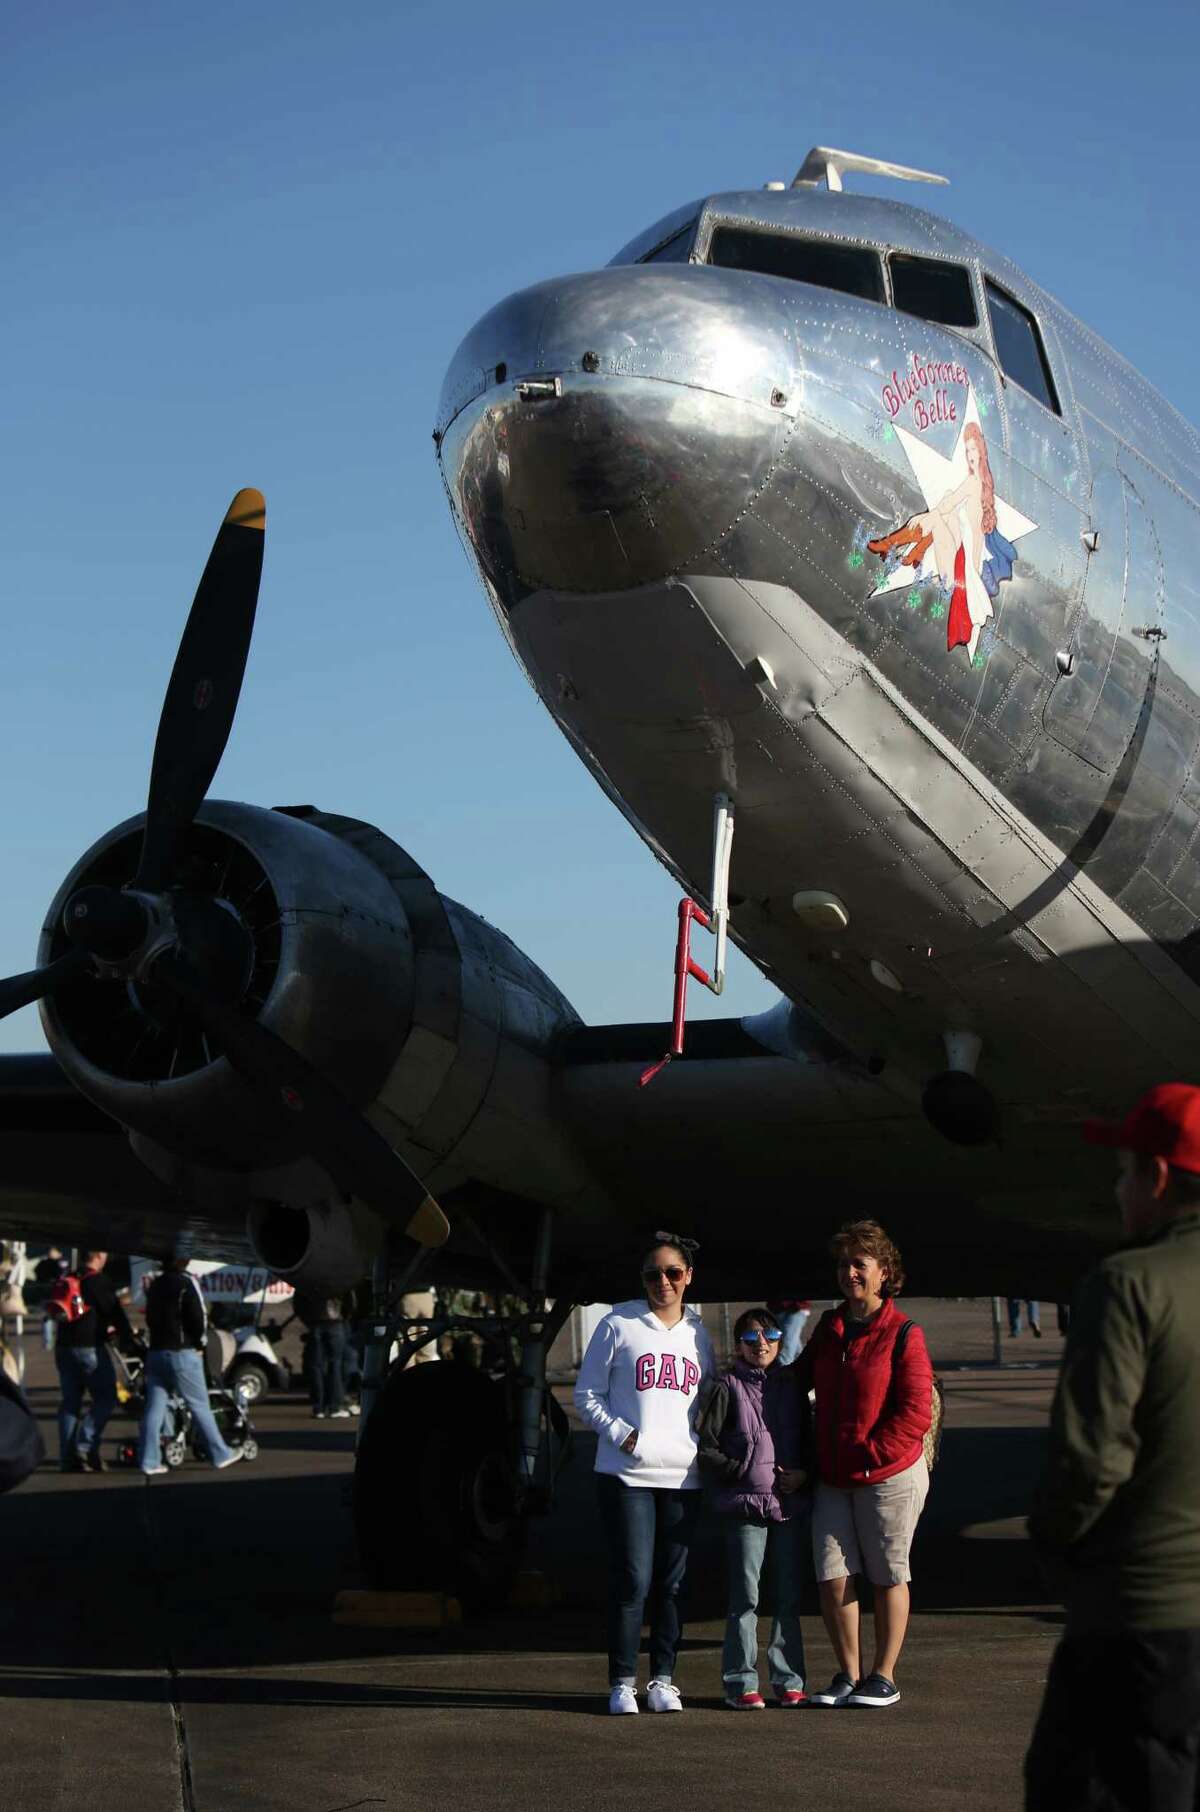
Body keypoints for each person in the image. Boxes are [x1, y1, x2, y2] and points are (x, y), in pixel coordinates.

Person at [1025, 1083, 1200, 1810]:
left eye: (1125, 1171)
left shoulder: (1128, 1285)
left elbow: (1091, 1459)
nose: (1118, 1188)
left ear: (1157, 1176)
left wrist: (1053, 1544)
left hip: (1144, 1625)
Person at [574, 1232, 715, 1715]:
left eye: (673, 1273)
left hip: (684, 1475)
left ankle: (663, 1680)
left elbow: (710, 1397)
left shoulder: (698, 1335)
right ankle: (621, 1682)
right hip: (627, 1475)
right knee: (634, 1579)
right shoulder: (618, 1324)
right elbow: (586, 1394)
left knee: (673, 1585)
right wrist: (622, 1434)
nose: (663, 1282)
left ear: (688, 1276)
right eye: (653, 1274)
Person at [796, 1219, 932, 1709]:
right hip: (835, 1476)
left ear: (884, 1272)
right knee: (833, 1574)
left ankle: (884, 1675)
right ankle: (848, 1675)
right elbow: (797, 1379)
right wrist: (747, 1375)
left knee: (887, 1573)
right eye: (843, 1264)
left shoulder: (904, 1333)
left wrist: (869, 1454)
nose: (849, 1273)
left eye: (860, 1264)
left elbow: (915, 1412)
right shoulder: (830, 1328)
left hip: (888, 1474)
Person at [697, 1307, 810, 1709]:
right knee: (745, 1598)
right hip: (745, 1508)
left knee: (788, 1597)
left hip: (787, 1506)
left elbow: (810, 1439)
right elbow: (706, 1446)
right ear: (739, 1345)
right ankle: (740, 1682)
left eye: (769, 1335)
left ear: (780, 1340)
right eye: (750, 1337)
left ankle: (789, 1679)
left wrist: (805, 1474)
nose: (760, 1343)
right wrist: (739, 1470)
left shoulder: (793, 1386)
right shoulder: (725, 1386)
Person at [138, 1255, 243, 1474]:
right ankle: (220, 1453)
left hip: (156, 1351)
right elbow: (198, 1317)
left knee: (155, 1408)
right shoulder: (187, 1282)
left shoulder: (155, 1284)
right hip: (182, 1352)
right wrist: (200, 1343)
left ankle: (149, 1461)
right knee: (199, 1405)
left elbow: (149, 1318)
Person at [55, 1250, 135, 1473]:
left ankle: (66, 1459)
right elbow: (114, 1312)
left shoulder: (70, 1277)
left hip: (63, 1348)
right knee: (107, 1397)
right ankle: (85, 1444)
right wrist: (127, 1338)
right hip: (88, 1347)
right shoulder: (98, 1281)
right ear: (99, 1256)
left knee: (70, 1403)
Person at [295, 1289, 351, 1418]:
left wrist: (308, 1320)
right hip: (335, 1323)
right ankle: (334, 1406)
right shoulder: (339, 1281)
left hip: (315, 1323)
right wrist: (344, 1316)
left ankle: (318, 1407)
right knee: (335, 1365)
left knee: (316, 1366)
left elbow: (298, 1304)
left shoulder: (307, 1280)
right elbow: (350, 1302)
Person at [765, 1297, 812, 1366]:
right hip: (776, 1309)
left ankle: (784, 1369)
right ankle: (804, 1367)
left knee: (786, 1347)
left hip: (796, 1309)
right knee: (793, 1346)